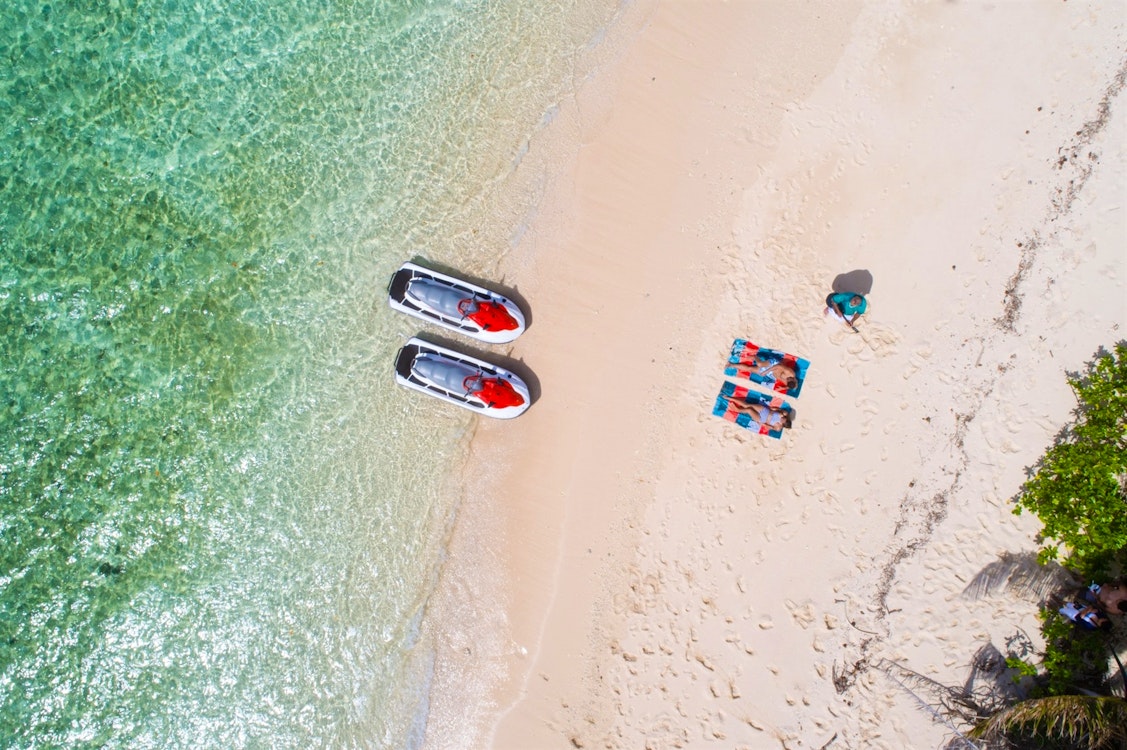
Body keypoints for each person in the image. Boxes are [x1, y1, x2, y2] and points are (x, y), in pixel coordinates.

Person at [725, 398, 794, 429]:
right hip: (765, 410)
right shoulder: (784, 414)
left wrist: (762, 424)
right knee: (747, 405)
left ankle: (737, 410)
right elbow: (778, 409)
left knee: (749, 410)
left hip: (761, 418)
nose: (782, 419)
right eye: (784, 418)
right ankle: (730, 398)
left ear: (783, 424)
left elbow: (768, 427)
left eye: (782, 421)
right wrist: (776, 409)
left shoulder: (778, 427)